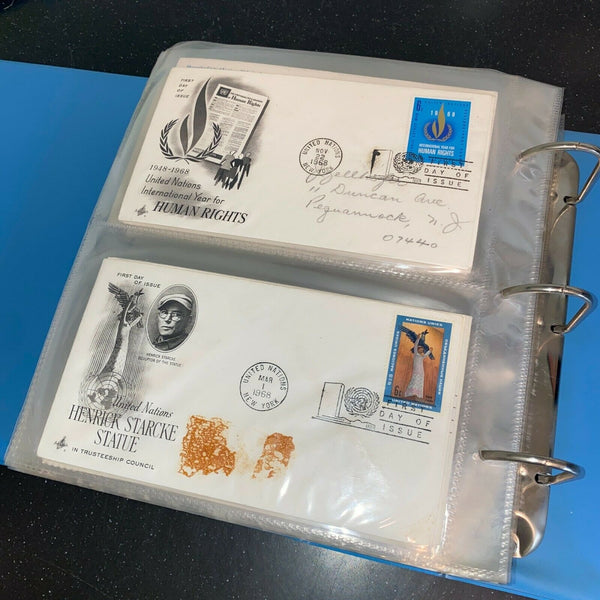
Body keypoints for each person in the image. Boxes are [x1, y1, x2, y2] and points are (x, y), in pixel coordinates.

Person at [404, 331, 432, 400]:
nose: (422, 351)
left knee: (420, 382)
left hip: (421, 371)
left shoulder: (422, 356)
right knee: (414, 381)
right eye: (421, 349)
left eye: (422, 350)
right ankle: (410, 393)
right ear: (418, 350)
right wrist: (418, 339)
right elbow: (415, 345)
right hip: (416, 370)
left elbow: (426, 355)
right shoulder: (416, 354)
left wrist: (430, 351)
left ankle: (418, 395)